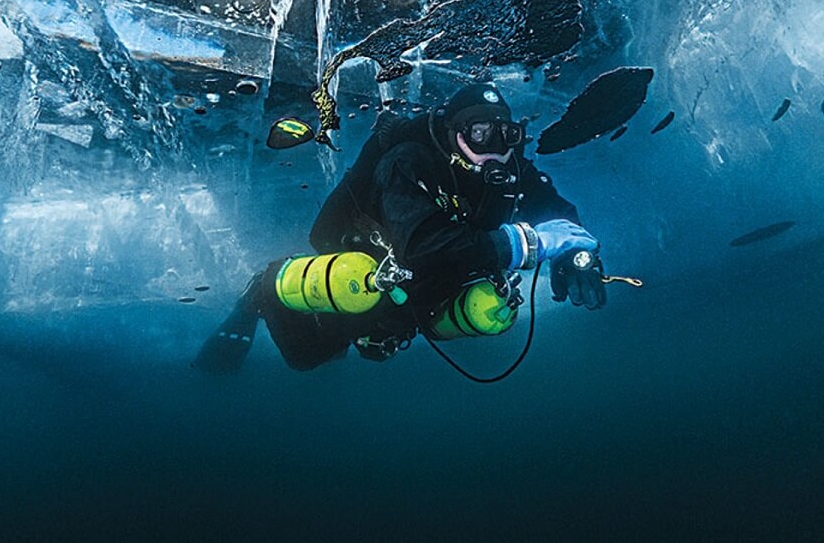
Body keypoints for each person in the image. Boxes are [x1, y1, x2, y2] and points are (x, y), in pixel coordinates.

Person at [194, 83, 605, 373]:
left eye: (506, 134)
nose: (496, 147)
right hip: (375, 274)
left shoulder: (509, 166)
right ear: (453, 134)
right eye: (479, 133)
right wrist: (527, 244)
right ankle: (263, 290)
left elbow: (556, 209)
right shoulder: (408, 161)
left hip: (428, 288)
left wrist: (577, 253)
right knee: (309, 357)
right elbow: (421, 246)